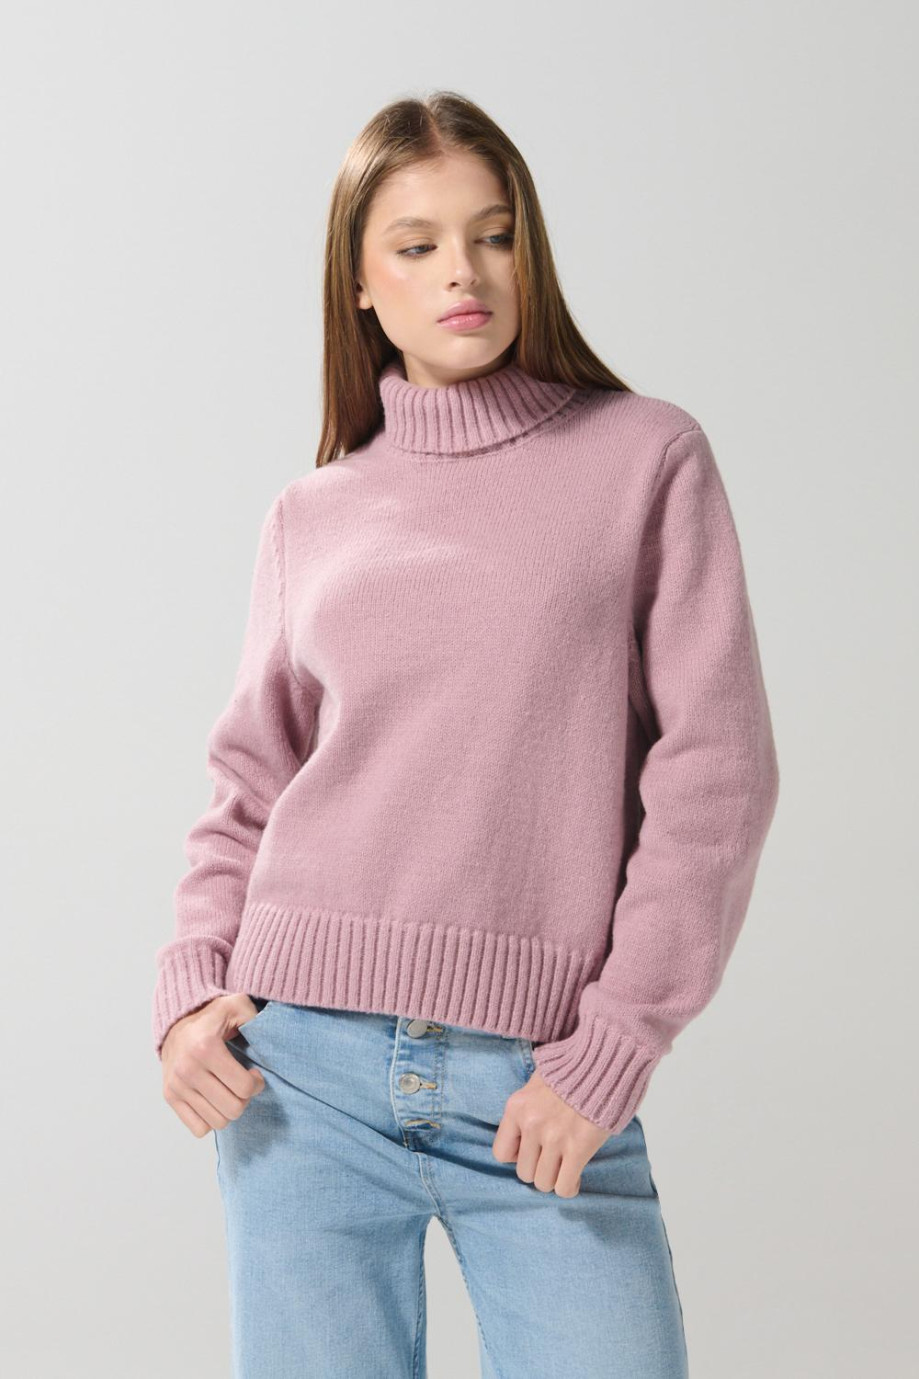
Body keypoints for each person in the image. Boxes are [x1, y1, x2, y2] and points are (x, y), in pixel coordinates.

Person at [152, 90, 779, 1378]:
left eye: (493, 236)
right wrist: (190, 993)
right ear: (360, 283)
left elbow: (716, 775)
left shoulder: (646, 458)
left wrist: (616, 1043)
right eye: (418, 243)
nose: (464, 273)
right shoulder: (313, 513)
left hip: (541, 1079)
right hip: (299, 1078)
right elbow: (249, 782)